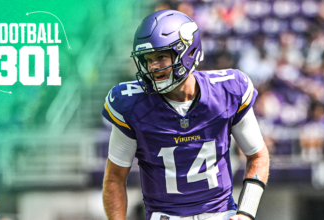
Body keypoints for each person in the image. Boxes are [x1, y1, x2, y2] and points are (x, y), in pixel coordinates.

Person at [102, 10, 269, 220]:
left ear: (187, 51)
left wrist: (246, 212)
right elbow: (114, 178)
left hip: (220, 214)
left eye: (161, 56)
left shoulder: (227, 91)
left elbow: (258, 155)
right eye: (148, 59)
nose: (153, 66)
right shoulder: (131, 103)